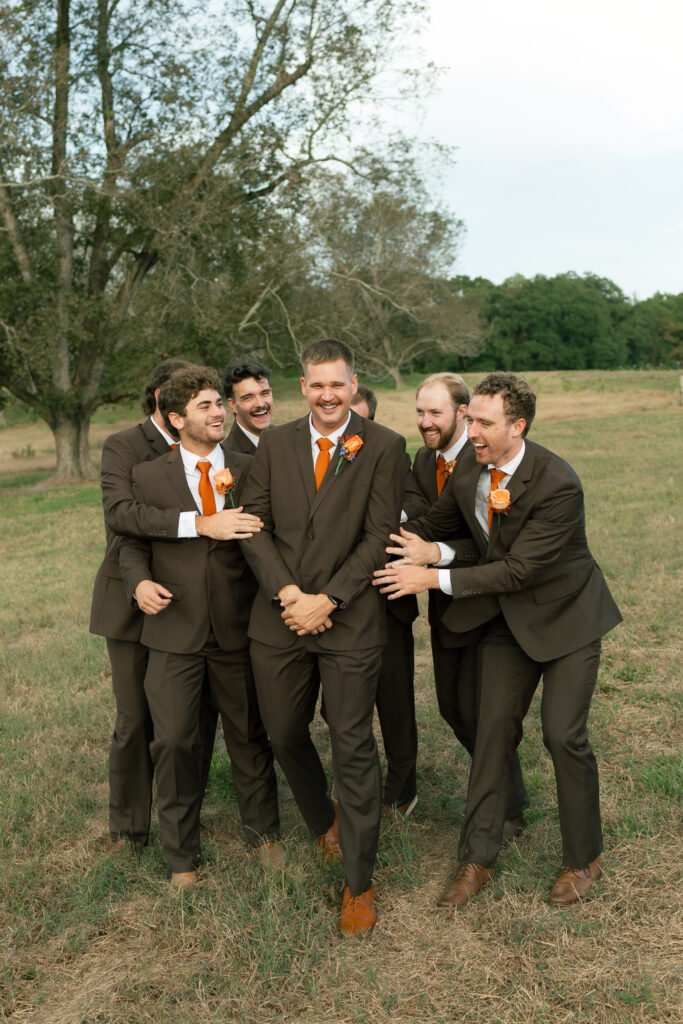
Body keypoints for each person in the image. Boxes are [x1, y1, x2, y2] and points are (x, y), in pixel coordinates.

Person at [374, 372, 622, 908]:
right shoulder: (470, 467)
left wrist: (431, 578)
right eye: (471, 420)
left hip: (567, 619)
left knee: (562, 734)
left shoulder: (558, 482)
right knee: (490, 732)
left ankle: (583, 859)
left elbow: (517, 570)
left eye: (484, 423)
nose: (472, 432)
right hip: (508, 623)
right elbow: (437, 525)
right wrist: (395, 539)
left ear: (518, 426)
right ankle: (477, 859)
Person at [239, 339, 406, 935]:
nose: (328, 395)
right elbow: (253, 525)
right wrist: (290, 594)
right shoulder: (275, 444)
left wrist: (329, 599)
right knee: (284, 733)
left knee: (351, 743)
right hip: (280, 617)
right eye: (317, 384)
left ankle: (359, 883)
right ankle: (323, 820)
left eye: (338, 384)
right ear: (303, 386)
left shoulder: (384, 445)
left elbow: (379, 535)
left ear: (353, 385)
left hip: (349, 620)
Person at [117, 365, 282, 889]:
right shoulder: (149, 476)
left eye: (218, 404)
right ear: (176, 418)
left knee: (249, 735)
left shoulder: (250, 466)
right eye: (205, 406)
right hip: (173, 630)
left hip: (239, 625)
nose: (218, 413)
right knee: (173, 743)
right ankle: (181, 858)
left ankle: (264, 834)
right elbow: (130, 543)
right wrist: (139, 583)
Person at [90, 359, 217, 852]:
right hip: (132, 600)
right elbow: (122, 515)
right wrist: (196, 523)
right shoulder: (124, 446)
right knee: (135, 718)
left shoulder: (214, 445)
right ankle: (128, 829)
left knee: (191, 718)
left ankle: (184, 815)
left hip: (196, 607)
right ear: (165, 400)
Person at [407, 373, 529, 836]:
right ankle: (504, 797)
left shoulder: (490, 460)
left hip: (490, 602)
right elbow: (425, 520)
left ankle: (506, 808)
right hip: (445, 603)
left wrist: (434, 556)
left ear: (462, 413)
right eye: (420, 412)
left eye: (435, 412)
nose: (425, 422)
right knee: (453, 708)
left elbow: (494, 550)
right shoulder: (424, 459)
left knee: (483, 713)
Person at [349, 383, 419, 816]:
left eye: (363, 420)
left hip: (387, 595)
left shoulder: (394, 453)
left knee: (394, 699)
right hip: (339, 599)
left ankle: (402, 787)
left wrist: (379, 517)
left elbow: (412, 505)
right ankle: (358, 776)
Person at [223, 359, 274, 453]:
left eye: (264, 393)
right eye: (248, 398)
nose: (260, 404)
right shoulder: (227, 456)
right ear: (233, 404)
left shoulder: (287, 439)